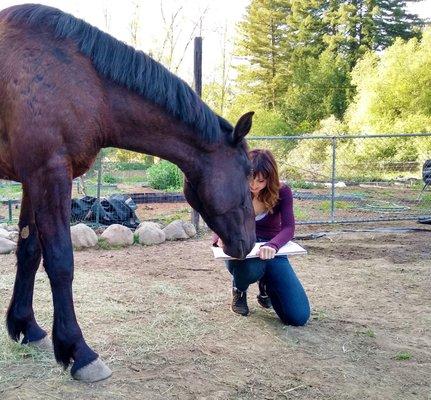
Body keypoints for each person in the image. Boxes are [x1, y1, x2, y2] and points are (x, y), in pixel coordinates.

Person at [213, 149, 310, 326]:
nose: (254, 185)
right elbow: (220, 220)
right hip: (242, 247)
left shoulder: (283, 192)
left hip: (270, 247)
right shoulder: (233, 189)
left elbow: (289, 228)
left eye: (261, 180)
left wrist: (273, 246)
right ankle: (239, 291)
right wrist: (220, 237)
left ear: (269, 178)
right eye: (250, 178)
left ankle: (265, 286)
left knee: (298, 317)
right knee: (251, 267)